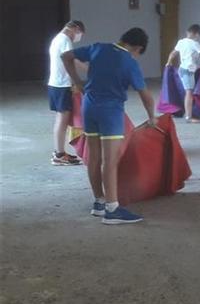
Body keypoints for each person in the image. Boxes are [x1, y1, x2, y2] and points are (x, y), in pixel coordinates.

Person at [61, 27, 156, 225]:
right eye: (139, 53)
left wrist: (77, 82)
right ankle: (112, 209)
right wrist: (152, 117)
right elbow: (145, 95)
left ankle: (99, 202)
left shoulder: (98, 48)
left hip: (89, 108)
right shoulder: (130, 63)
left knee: (94, 157)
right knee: (110, 161)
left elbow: (66, 56)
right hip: (111, 112)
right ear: (138, 47)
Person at [48, 20, 86, 166]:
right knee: (62, 120)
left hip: (55, 84)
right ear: (75, 28)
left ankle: (59, 152)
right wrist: (88, 71)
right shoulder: (65, 40)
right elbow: (72, 61)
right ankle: (59, 154)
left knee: (61, 119)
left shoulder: (57, 38)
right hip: (62, 85)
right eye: (80, 33)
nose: (78, 36)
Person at [166, 24, 200, 123]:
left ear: (187, 32)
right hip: (189, 70)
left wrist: (169, 62)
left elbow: (173, 53)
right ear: (196, 34)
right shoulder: (195, 44)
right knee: (189, 93)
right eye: (198, 34)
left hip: (181, 69)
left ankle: (187, 113)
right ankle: (188, 117)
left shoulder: (181, 42)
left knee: (187, 91)